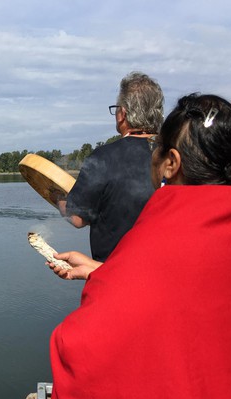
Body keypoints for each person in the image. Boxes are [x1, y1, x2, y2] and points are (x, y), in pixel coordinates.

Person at [44, 94, 231, 399]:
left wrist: (106, 289)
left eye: (158, 151)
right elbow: (192, 294)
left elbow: (83, 345)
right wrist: (105, 272)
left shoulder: (171, 229)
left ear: (171, 163)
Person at [58, 72, 164, 262]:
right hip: (164, 272)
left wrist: (59, 200)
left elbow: (77, 218)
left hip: (116, 275)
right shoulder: (175, 156)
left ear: (122, 114)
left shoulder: (104, 158)